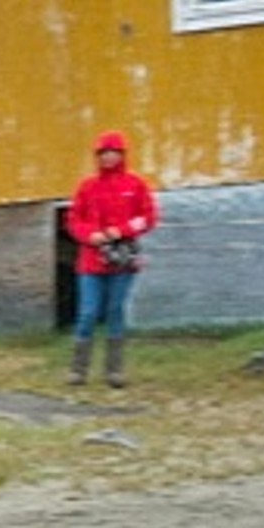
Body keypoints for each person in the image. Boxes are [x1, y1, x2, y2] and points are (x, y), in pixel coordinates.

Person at [65, 130, 159, 389]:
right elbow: (73, 220)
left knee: (115, 311)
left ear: (121, 155)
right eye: (103, 153)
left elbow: (148, 217)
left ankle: (114, 371)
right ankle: (78, 370)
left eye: (113, 153)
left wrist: (123, 230)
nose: (108, 158)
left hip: (123, 260)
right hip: (90, 261)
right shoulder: (87, 187)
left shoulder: (135, 185)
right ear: (97, 157)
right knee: (88, 312)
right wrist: (89, 235)